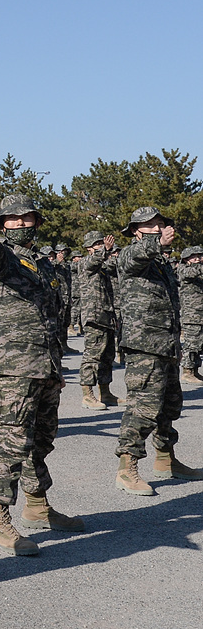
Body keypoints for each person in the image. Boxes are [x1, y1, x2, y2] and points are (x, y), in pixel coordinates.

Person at [0, 196, 83, 558]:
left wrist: (56, 367)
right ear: (2, 225)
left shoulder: (42, 263)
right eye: (13, 219)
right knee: (11, 443)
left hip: (46, 364)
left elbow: (51, 316)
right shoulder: (1, 257)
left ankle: (38, 506)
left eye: (27, 217)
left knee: (40, 440)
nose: (21, 223)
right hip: (16, 365)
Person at [114, 207, 203, 495]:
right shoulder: (131, 256)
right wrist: (156, 243)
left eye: (160, 224)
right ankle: (127, 469)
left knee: (169, 405)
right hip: (144, 346)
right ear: (136, 231)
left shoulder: (162, 264)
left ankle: (166, 460)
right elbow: (134, 257)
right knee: (143, 409)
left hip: (165, 344)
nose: (157, 228)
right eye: (149, 225)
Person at [78, 231, 120, 409]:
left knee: (107, 356)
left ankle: (106, 393)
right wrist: (105, 250)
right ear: (89, 248)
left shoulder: (104, 266)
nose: (102, 246)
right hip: (94, 316)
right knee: (92, 356)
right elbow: (94, 260)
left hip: (107, 316)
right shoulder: (85, 263)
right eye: (98, 244)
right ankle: (87, 395)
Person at [178, 246, 203, 383]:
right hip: (191, 314)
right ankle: (187, 371)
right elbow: (192, 272)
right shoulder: (184, 269)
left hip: (200, 314)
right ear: (186, 259)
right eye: (195, 256)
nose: (198, 259)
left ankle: (195, 370)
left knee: (199, 344)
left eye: (200, 256)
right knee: (191, 344)